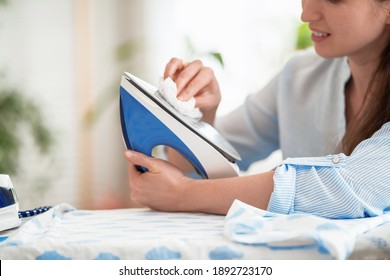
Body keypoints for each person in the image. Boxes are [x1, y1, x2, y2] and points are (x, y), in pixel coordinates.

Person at [124, 0, 390, 219]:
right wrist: (199, 116)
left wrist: (183, 194)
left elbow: (344, 189)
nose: (306, 13)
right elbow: (192, 165)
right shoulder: (299, 77)